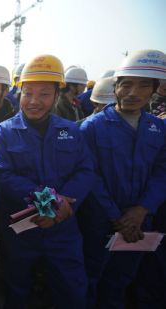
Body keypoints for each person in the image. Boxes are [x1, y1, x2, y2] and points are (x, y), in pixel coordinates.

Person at [0, 54, 94, 309]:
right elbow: (2, 175)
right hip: (21, 228)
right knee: (17, 288)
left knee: (72, 289)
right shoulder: (4, 132)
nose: (34, 101)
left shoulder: (70, 131)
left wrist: (63, 206)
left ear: (57, 96)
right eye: (28, 93)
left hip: (63, 227)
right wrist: (50, 202)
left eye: (44, 94)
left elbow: (85, 170)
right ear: (19, 93)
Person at [79, 49, 166, 309]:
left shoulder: (159, 129)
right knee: (90, 279)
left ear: (153, 90)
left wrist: (142, 209)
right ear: (115, 87)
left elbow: (162, 171)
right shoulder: (92, 127)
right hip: (99, 222)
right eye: (126, 85)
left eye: (142, 86)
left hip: (140, 222)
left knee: (121, 280)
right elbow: (88, 176)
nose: (133, 93)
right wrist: (116, 216)